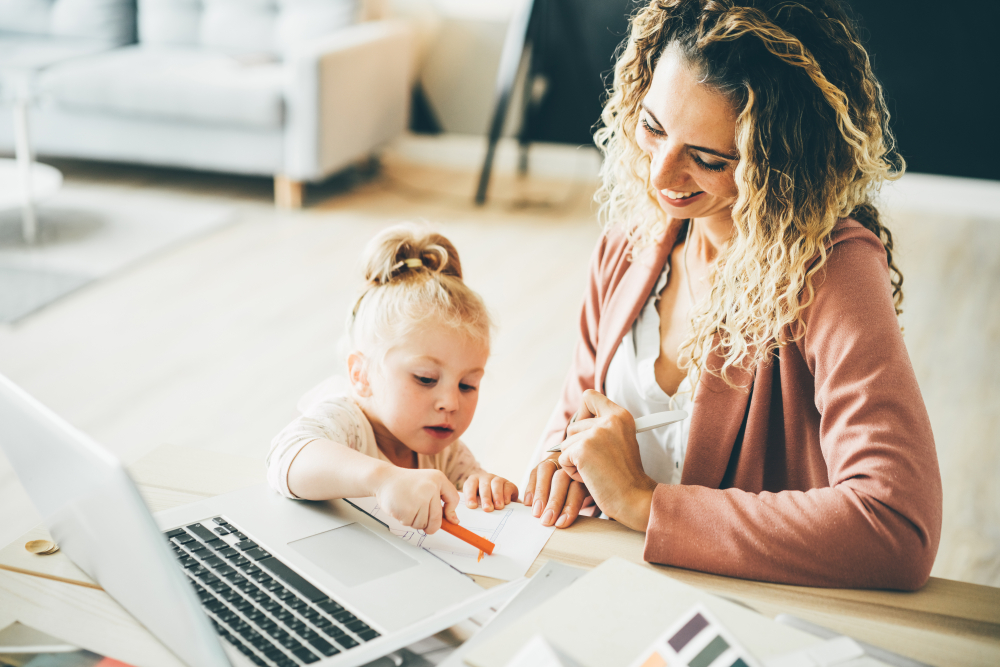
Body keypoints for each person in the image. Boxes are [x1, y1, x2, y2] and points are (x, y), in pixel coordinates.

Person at [524, 0, 942, 590]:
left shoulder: (831, 272)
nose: (661, 176)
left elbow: (898, 527)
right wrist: (556, 464)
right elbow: (573, 418)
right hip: (605, 585)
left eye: (709, 158)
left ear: (781, 162)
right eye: (653, 127)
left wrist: (645, 504)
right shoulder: (628, 247)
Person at [267, 223, 518, 535]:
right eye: (426, 379)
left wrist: (483, 487)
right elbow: (286, 456)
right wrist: (383, 479)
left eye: (467, 385)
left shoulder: (446, 452)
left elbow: (469, 493)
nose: (451, 403)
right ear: (361, 375)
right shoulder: (347, 423)